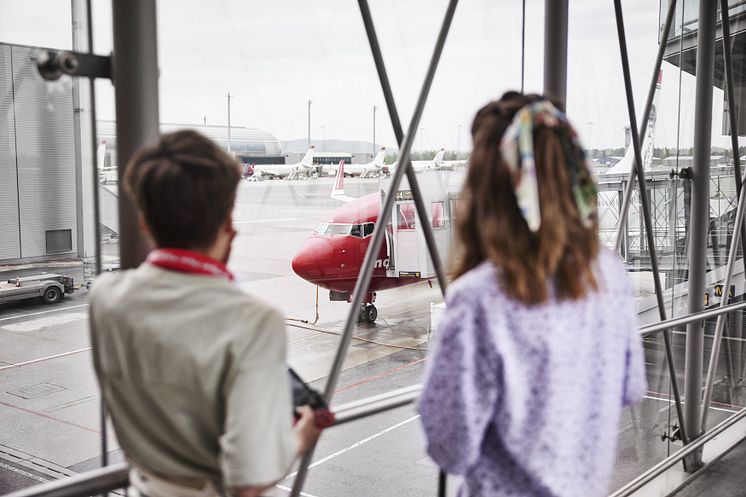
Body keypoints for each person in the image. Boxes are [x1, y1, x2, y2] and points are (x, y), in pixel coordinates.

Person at [417, 93, 646, 497]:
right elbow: (630, 389)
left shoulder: (481, 299)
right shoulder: (610, 273)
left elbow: (449, 449)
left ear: (488, 189)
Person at [89, 130, 320, 497]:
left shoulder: (104, 297)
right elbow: (250, 480)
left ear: (145, 224)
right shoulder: (252, 321)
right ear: (228, 224)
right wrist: (299, 438)